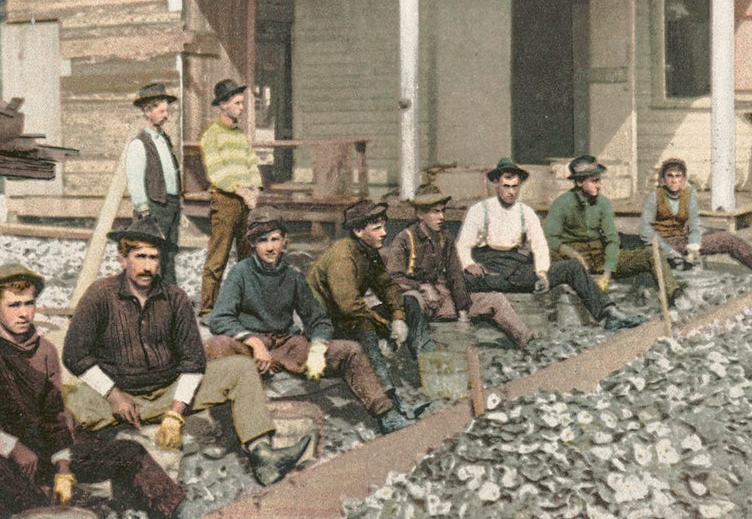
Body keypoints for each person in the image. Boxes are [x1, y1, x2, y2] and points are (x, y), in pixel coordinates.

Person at [62, 216, 310, 487]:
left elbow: (193, 361)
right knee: (60, 401)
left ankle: (263, 455)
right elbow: (75, 355)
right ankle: (67, 469)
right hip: (121, 397)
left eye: (154, 258)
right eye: (140, 256)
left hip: (169, 392)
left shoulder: (175, 297)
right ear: (122, 258)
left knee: (240, 367)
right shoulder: (100, 295)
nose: (147, 266)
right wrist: (113, 394)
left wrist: (176, 412)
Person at [0, 263, 188, 518]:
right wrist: (14, 448)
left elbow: (54, 414)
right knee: (37, 507)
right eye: (14, 305)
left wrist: (63, 466)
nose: (24, 314)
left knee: (130, 453)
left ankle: (170, 511)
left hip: (41, 451)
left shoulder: (45, 350)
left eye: (29, 304)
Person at [206, 206, 413, 433]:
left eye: (275, 239)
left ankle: (386, 414)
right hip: (250, 347)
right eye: (262, 240)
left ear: (285, 241)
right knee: (218, 344)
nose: (270, 247)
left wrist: (317, 346)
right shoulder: (241, 273)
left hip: (287, 345)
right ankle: (229, 420)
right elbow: (220, 318)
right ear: (253, 244)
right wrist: (253, 342)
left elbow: (318, 319)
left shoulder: (293, 277)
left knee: (351, 350)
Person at [457, 158, 644, 331]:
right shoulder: (479, 210)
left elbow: (539, 245)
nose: (511, 192)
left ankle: (608, 313)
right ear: (497, 184)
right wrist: (468, 263)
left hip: (516, 271)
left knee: (571, 267)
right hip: (488, 270)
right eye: (506, 186)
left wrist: (542, 273)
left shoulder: (526, 212)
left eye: (515, 187)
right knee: (457, 278)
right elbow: (463, 244)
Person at [307, 199, 434, 405]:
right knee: (364, 322)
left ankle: (430, 368)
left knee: (409, 302)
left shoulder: (368, 252)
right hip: (326, 327)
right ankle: (387, 394)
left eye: (383, 227)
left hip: (347, 319)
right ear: (358, 231)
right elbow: (349, 307)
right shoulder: (343, 256)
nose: (384, 233)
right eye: (377, 228)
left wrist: (399, 318)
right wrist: (385, 327)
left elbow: (387, 287)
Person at [383, 184, 537, 347]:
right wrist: (421, 287)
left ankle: (528, 342)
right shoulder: (404, 239)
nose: (441, 217)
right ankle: (417, 348)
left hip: (442, 300)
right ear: (421, 214)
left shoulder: (445, 238)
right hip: (416, 301)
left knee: (496, 299)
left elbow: (455, 275)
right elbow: (393, 277)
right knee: (411, 300)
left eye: (443, 211)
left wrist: (463, 310)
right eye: (435, 212)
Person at [545, 155, 681, 301]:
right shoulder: (562, 204)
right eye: (594, 181)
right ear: (579, 182)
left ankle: (675, 295)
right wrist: (574, 255)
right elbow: (549, 238)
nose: (599, 185)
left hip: (600, 258)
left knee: (650, 253)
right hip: (573, 261)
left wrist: (607, 274)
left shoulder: (603, 204)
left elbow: (612, 239)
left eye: (599, 180)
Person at [638, 157, 752, 277]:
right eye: (670, 176)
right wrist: (669, 251)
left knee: (726, 238)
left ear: (683, 179)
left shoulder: (689, 196)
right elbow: (645, 229)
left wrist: (693, 246)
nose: (674, 180)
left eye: (678, 176)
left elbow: (694, 224)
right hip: (665, 243)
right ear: (664, 179)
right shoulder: (654, 197)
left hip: (685, 241)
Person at [199, 78, 263, 316]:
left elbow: (251, 164)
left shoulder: (240, 136)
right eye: (237, 103)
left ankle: (244, 307)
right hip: (226, 202)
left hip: (247, 202)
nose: (242, 107)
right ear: (223, 104)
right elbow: (218, 172)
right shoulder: (211, 135)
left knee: (247, 256)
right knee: (218, 256)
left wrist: (255, 190)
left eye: (242, 102)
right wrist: (241, 191)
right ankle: (207, 309)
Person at [126, 82, 182, 286]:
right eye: (161, 110)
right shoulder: (140, 143)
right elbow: (135, 179)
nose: (166, 115)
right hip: (155, 206)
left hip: (171, 205)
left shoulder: (163, 139)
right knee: (152, 255)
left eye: (167, 110)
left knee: (169, 253)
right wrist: (143, 209)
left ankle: (169, 296)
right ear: (148, 111)